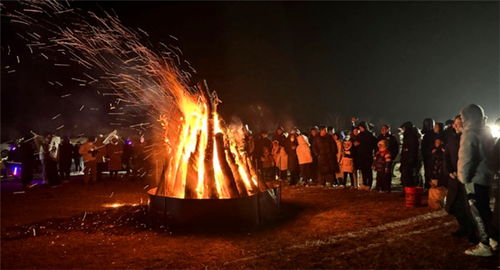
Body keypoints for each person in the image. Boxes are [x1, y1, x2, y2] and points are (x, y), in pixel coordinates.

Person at [458, 104, 496, 256]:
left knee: (477, 212)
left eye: (462, 117)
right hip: (486, 177)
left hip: (474, 179)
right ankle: (493, 238)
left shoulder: (469, 134)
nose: (460, 120)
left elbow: (467, 159)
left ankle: (484, 245)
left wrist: (464, 178)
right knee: (486, 210)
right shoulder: (485, 132)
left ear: (468, 117)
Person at [444, 115, 476, 242]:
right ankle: (464, 226)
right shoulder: (451, 139)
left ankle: (473, 231)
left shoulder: (469, 138)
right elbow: (446, 156)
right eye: (454, 123)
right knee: (452, 205)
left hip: (467, 178)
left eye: (459, 123)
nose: (455, 125)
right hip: (454, 178)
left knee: (468, 207)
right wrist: (449, 171)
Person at [356, 122, 377, 189]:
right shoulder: (359, 135)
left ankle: (369, 184)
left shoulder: (370, 135)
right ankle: (364, 183)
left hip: (368, 155)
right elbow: (357, 143)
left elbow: (374, 144)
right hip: (361, 155)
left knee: (368, 171)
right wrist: (356, 144)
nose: (360, 129)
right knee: (363, 170)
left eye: (361, 127)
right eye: (359, 128)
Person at [400, 122, 420, 187]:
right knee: (406, 174)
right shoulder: (408, 135)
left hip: (409, 159)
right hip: (406, 158)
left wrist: (409, 154)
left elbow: (412, 148)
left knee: (408, 174)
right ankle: (406, 188)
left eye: (403, 128)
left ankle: (409, 188)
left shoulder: (411, 136)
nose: (402, 130)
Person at [422, 118, 437, 188]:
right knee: (428, 172)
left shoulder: (429, 135)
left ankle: (429, 186)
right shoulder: (431, 134)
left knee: (429, 172)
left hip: (429, 157)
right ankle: (428, 186)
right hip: (428, 156)